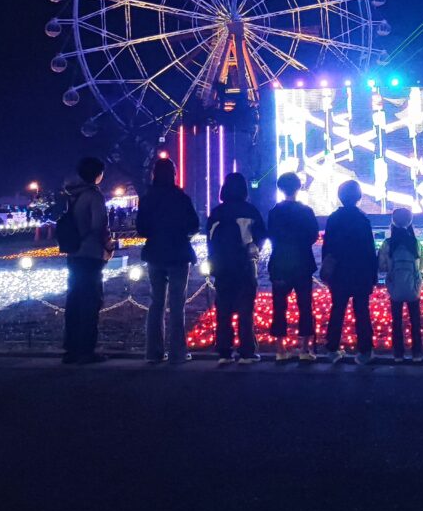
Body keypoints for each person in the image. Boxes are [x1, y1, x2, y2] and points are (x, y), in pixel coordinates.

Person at [136, 156, 200, 364]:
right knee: (177, 302)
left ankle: (153, 352)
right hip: (179, 253)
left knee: (156, 303)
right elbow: (194, 225)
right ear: (173, 174)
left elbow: (141, 229)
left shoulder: (147, 199)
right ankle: (177, 353)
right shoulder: (180, 198)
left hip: (155, 253)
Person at [207, 172, 266, 365]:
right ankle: (246, 351)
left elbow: (209, 239)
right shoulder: (250, 211)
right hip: (244, 265)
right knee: (245, 308)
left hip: (222, 266)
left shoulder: (216, 213)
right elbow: (261, 236)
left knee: (223, 309)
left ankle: (224, 351)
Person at [61, 156, 113, 365]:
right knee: (91, 301)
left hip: (74, 252)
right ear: (97, 174)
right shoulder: (93, 195)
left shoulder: (72, 194)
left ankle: (71, 348)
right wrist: (108, 246)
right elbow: (99, 225)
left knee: (74, 300)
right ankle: (87, 349)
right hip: (91, 253)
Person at [321, 180, 378, 364]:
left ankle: (332, 348)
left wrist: (327, 270)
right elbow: (369, 249)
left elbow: (327, 247)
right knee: (362, 311)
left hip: (339, 272)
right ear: (359, 197)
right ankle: (365, 351)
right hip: (360, 272)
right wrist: (373, 275)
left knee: (337, 309)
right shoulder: (363, 219)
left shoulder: (333, 218)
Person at [267, 172, 320, 362]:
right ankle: (304, 349)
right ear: (298, 188)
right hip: (303, 263)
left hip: (280, 262)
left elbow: (271, 235)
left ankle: (281, 350)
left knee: (279, 306)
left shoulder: (274, 212)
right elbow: (313, 235)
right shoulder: (306, 211)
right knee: (305, 305)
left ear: (280, 188)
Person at [378, 207, 423, 362]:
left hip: (395, 287)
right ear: (410, 221)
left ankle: (398, 354)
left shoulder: (388, 243)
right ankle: (417, 353)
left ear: (393, 221)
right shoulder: (415, 243)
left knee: (396, 321)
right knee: (415, 321)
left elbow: (382, 266)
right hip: (413, 288)